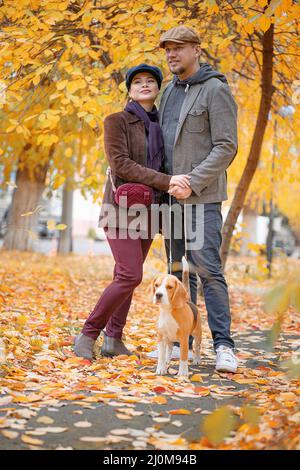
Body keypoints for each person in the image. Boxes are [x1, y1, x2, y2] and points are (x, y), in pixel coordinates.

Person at [74, 63, 190, 360]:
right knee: (129, 274)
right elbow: (120, 164)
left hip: (150, 211)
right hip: (119, 208)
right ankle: (88, 334)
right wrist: (166, 181)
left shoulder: (162, 126)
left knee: (125, 274)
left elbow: (166, 164)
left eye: (150, 81)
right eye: (137, 81)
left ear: (157, 87)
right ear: (130, 89)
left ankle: (114, 339)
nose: (144, 85)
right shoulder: (116, 121)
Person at [158, 25, 239, 373]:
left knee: (207, 270)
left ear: (196, 50)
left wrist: (192, 182)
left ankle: (224, 347)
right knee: (178, 272)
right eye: (167, 49)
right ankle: (184, 346)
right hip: (170, 201)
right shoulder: (167, 93)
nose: (172, 54)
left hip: (202, 198)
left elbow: (226, 146)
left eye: (179, 48)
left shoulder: (215, 90)